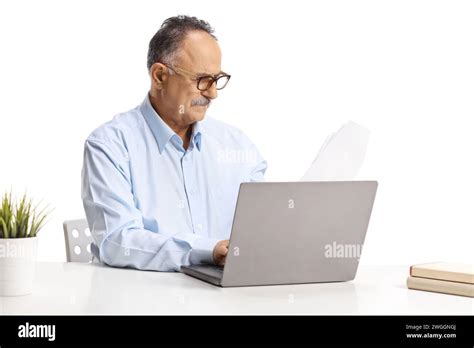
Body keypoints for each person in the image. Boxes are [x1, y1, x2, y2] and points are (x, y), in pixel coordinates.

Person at [81, 15, 267, 272]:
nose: (212, 93)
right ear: (159, 76)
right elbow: (117, 241)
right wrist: (206, 251)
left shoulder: (238, 147)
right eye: (202, 80)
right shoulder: (110, 145)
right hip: (141, 302)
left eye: (217, 80)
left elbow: (264, 228)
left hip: (226, 300)